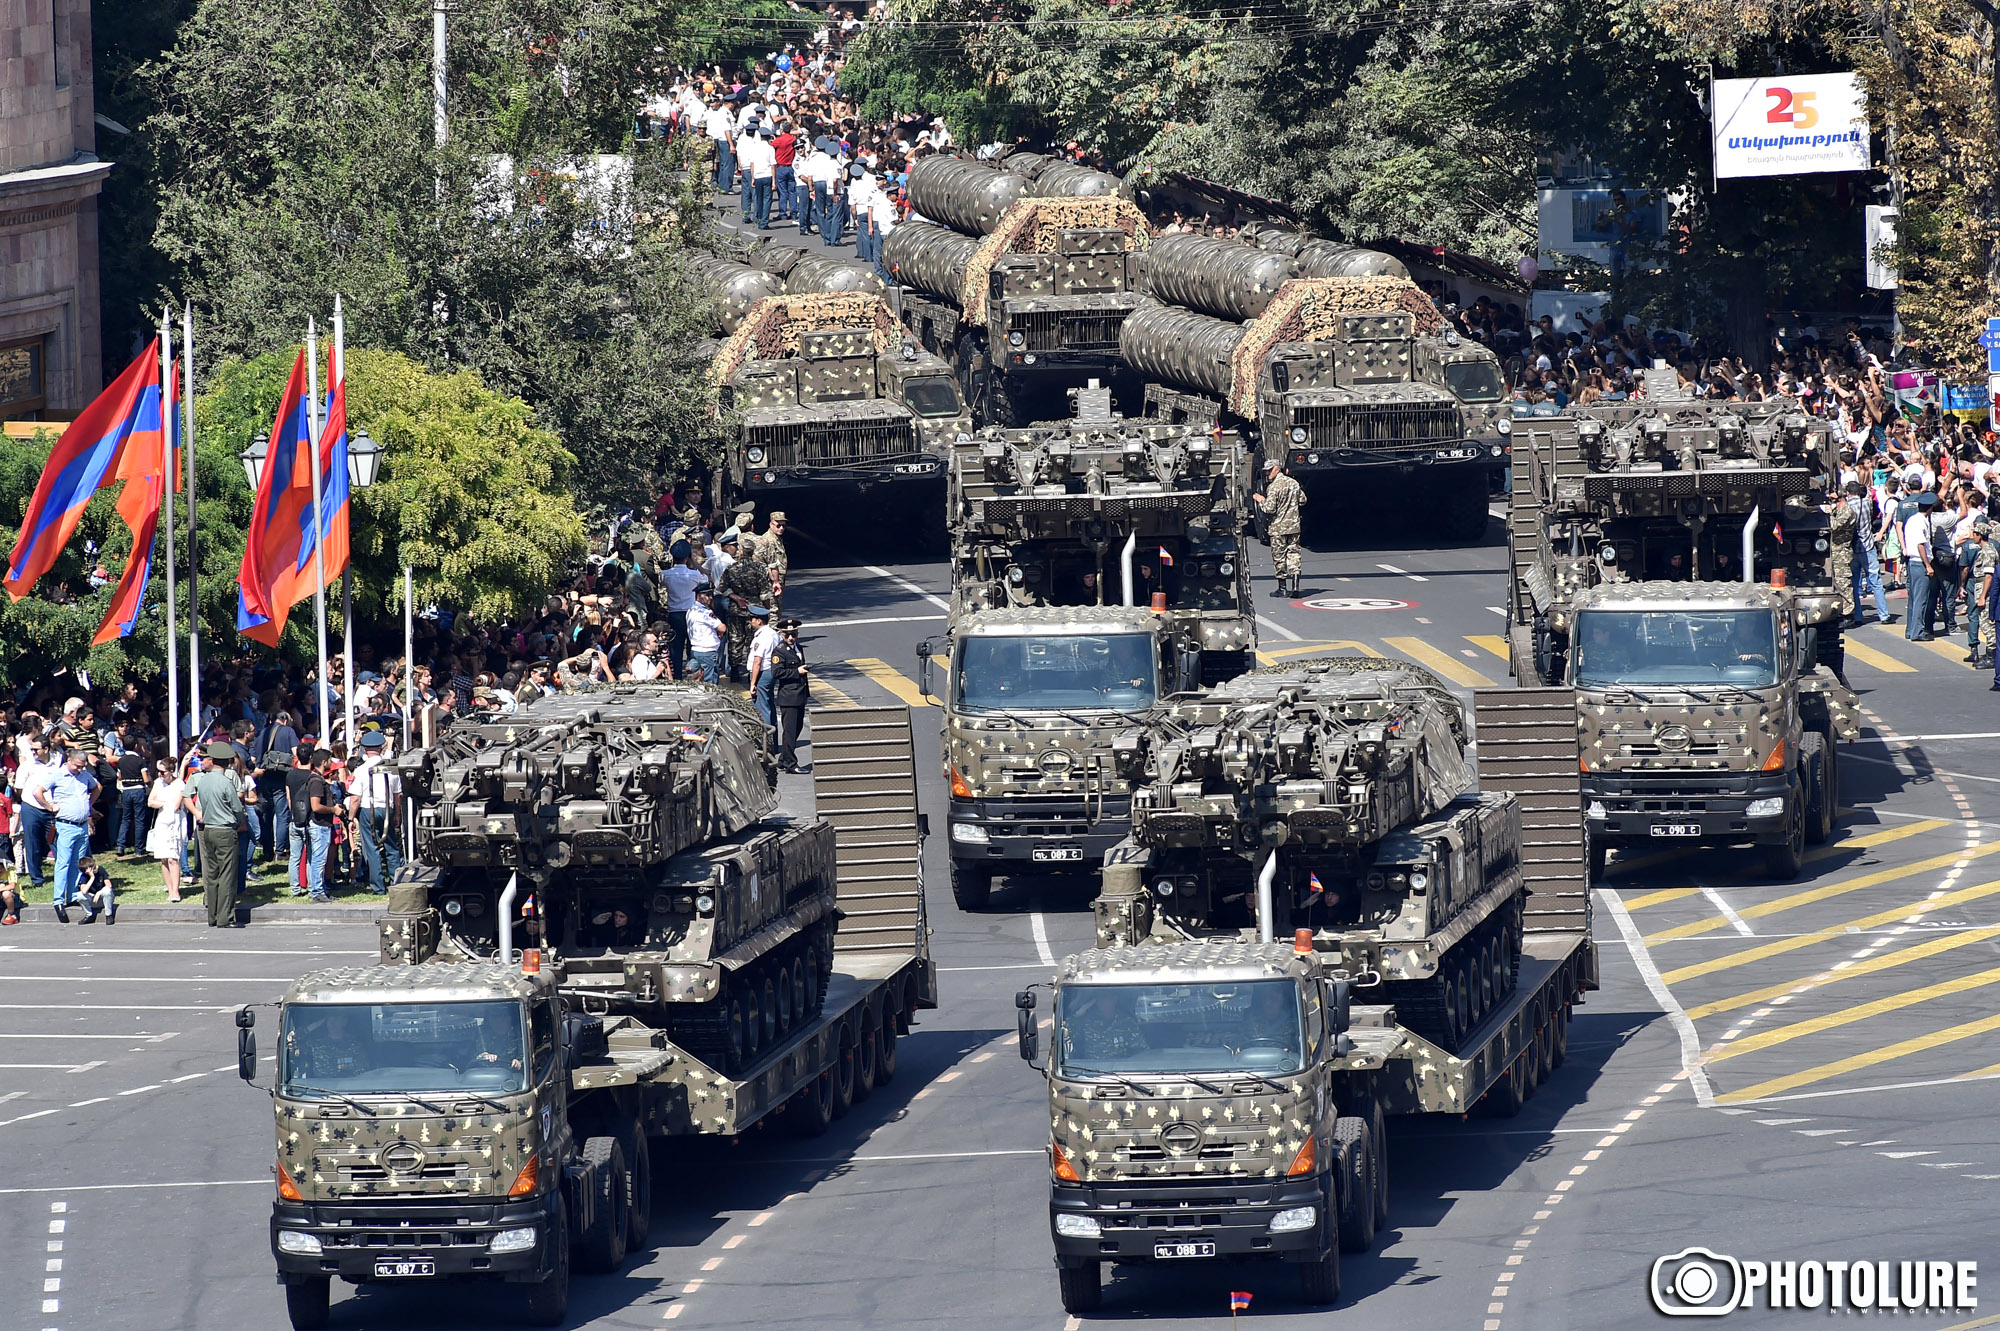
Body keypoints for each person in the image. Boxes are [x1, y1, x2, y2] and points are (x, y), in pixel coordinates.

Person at [42, 747, 99, 922]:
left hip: (81, 826)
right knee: (63, 863)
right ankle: (58, 899)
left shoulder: (83, 775)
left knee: (77, 863)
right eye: (77, 766)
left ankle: (73, 894)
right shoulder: (57, 775)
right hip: (65, 825)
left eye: (83, 766)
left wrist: (89, 805)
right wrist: (49, 806)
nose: (80, 769)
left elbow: (97, 787)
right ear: (69, 761)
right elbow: (38, 791)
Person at [348, 730, 403, 895]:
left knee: (371, 848)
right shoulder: (392, 768)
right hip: (388, 808)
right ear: (381, 747)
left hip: (367, 809)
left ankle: (378, 886)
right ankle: (396, 882)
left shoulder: (361, 770)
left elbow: (355, 798)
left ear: (365, 749)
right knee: (392, 847)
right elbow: (397, 795)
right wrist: (398, 814)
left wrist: (350, 818)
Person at [1254, 458, 1306, 599]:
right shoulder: (1293, 483)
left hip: (1278, 527)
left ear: (1277, 469)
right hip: (1294, 526)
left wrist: (1261, 500)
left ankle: (1282, 588)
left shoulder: (1274, 487)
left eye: (1269, 470)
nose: (1267, 474)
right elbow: (1303, 500)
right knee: (1294, 554)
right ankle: (1295, 587)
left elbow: (1269, 509)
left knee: (1279, 557)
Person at [145, 756, 190, 903]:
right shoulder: (158, 783)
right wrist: (163, 803)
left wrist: (161, 803)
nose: (160, 775)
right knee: (164, 857)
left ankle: (176, 890)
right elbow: (150, 802)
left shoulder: (179, 784)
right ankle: (170, 889)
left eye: (163, 772)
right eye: (158, 771)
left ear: (171, 772)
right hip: (162, 820)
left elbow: (176, 805)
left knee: (173, 857)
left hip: (175, 821)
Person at [771, 617, 811, 772]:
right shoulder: (779, 651)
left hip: (799, 695)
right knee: (790, 731)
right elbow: (777, 672)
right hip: (789, 696)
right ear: (781, 635)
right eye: (787, 635)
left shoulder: (798, 647)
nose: (790, 638)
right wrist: (797, 672)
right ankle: (790, 763)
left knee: (797, 728)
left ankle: (783, 759)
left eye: (793, 634)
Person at [746, 606, 781, 741]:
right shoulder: (773, 634)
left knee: (762, 709)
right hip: (770, 672)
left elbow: (757, 662)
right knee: (769, 705)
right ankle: (774, 741)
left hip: (762, 674)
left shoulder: (762, 637)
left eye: (752, 619)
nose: (750, 621)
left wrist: (753, 683)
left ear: (759, 621)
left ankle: (767, 743)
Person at [686, 584, 728, 683]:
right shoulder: (705, 612)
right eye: (707, 595)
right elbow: (722, 628)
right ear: (699, 596)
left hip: (695, 650)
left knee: (697, 681)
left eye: (711, 595)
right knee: (710, 683)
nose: (710, 598)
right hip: (707, 652)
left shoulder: (690, 610)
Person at [73, 855, 115, 925]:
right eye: (93, 868)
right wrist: (92, 877)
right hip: (93, 901)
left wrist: (99, 893)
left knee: (107, 890)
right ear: (87, 871)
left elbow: (109, 885)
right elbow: (83, 891)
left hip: (104, 899)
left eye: (95, 866)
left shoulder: (101, 870)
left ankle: (109, 915)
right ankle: (89, 915)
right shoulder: (84, 876)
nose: (96, 868)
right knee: (79, 895)